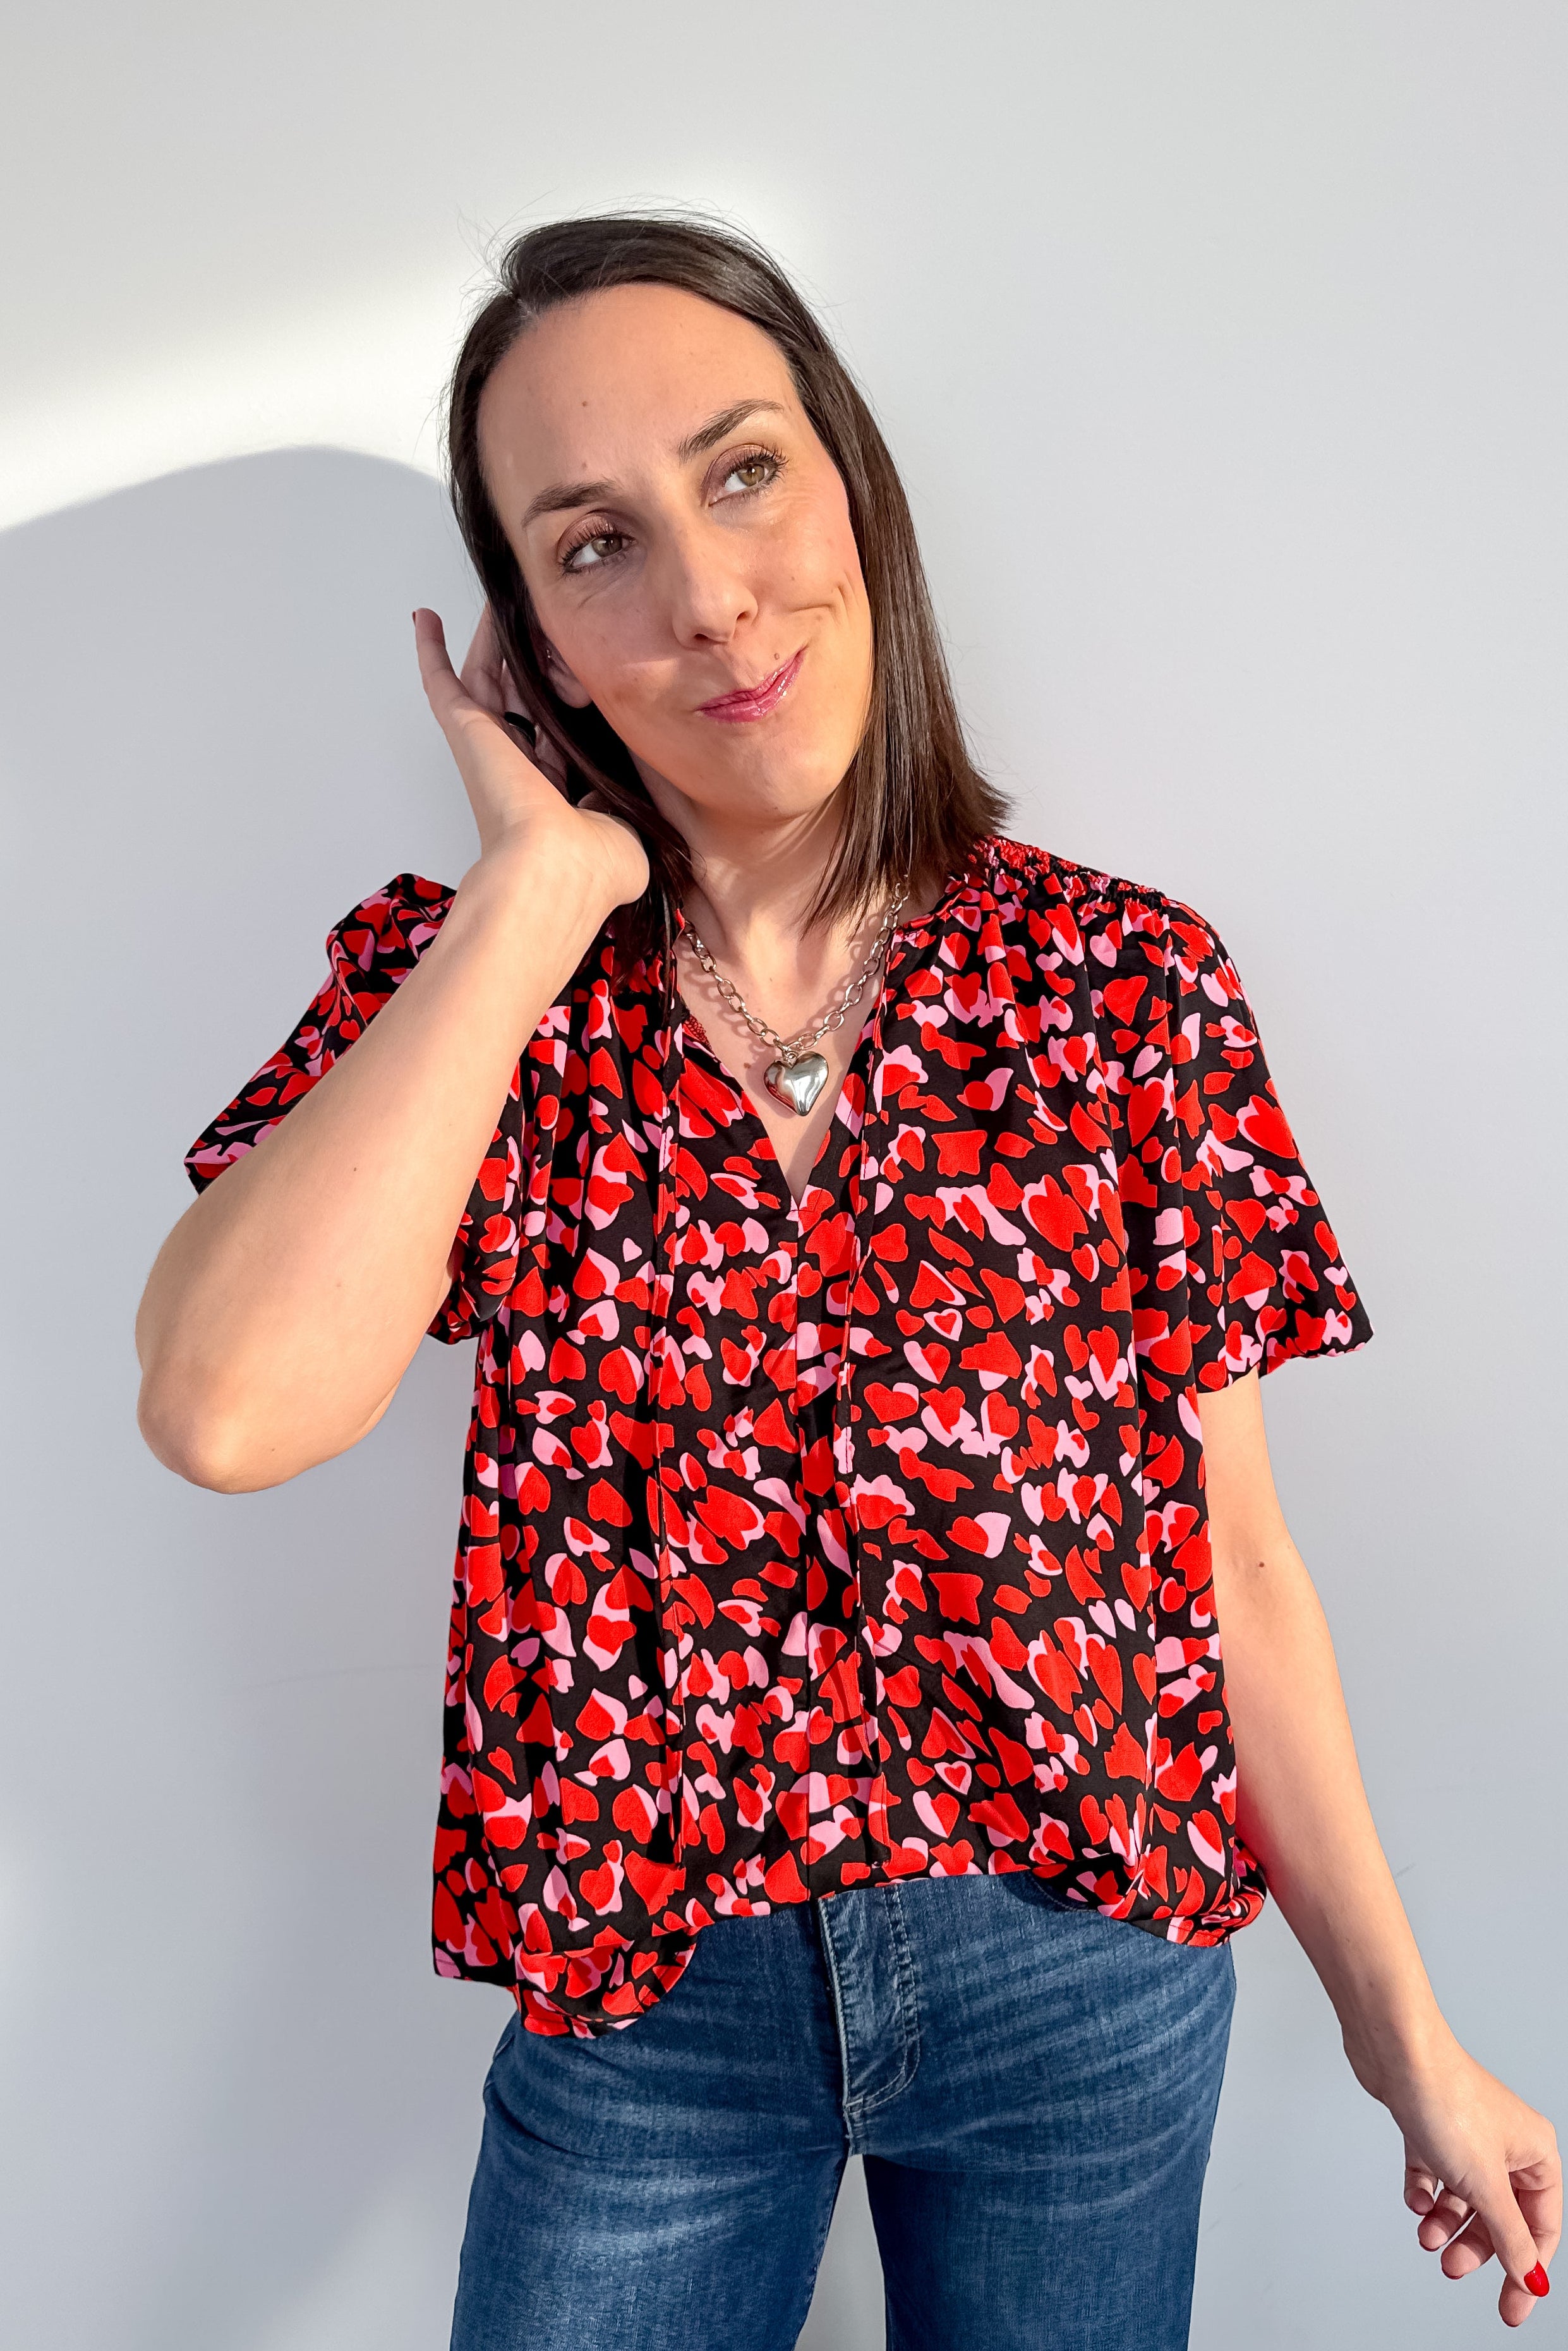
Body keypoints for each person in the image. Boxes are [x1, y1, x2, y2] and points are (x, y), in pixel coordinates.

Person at [134, 215, 1558, 2351]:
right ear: (527, 636)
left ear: (851, 488)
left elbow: (1234, 1572)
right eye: (593, 543)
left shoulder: (1122, 983)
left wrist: (1401, 2037)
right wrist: (535, 894)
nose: (708, 600)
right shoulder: (470, 993)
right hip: (649, 2016)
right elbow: (225, 1408)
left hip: (1080, 1971)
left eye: (739, 473)